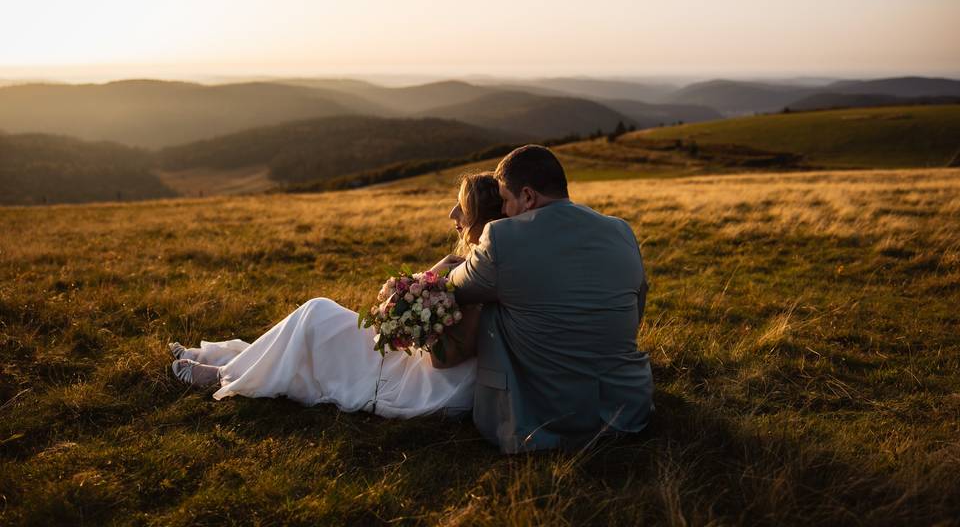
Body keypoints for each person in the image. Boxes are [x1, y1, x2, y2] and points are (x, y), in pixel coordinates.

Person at [168, 173, 503, 419]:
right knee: (318, 318)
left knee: (317, 316)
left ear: (483, 218)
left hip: (430, 384)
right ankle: (229, 364)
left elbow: (447, 356)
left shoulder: (480, 276)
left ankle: (224, 375)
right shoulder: (471, 263)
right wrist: (417, 290)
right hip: (420, 359)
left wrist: (406, 318)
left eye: (461, 207)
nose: (451, 215)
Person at [444, 145, 654, 453]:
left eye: (504, 200)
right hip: (627, 411)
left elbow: (453, 289)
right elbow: (637, 309)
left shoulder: (501, 237)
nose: (501, 211)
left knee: (492, 299)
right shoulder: (620, 230)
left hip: (547, 423)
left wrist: (444, 267)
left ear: (528, 197)